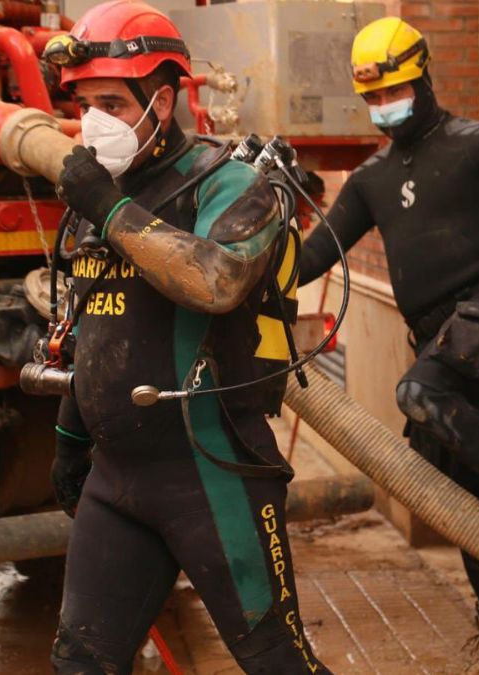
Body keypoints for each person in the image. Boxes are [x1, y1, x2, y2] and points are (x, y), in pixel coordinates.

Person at [45, 2, 330, 672]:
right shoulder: (107, 191)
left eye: (112, 101)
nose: (94, 122)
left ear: (163, 98)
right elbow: (97, 321)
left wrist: (108, 209)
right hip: (117, 483)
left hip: (214, 474)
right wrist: (69, 438)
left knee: (276, 662)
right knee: (79, 662)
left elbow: (216, 281)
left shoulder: (230, 183)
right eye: (85, 103)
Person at [297, 16, 479, 674]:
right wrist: (255, 250)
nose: (381, 108)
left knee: (420, 391)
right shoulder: (371, 178)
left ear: (422, 79)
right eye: (370, 98)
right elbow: (312, 257)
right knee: (446, 485)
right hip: (440, 336)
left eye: (391, 91)